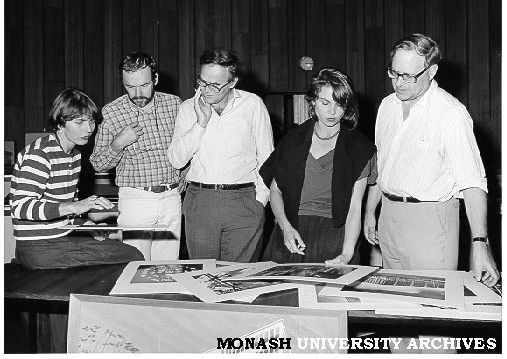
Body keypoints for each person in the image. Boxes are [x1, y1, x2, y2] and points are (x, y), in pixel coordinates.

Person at [364, 33, 499, 287]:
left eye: (409, 76)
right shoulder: (386, 107)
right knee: (394, 307)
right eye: (394, 73)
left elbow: (473, 184)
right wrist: (371, 212)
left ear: (431, 70)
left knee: (432, 310)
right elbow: (382, 166)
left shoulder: (451, 114)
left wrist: (481, 244)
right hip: (389, 215)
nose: (399, 83)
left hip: (431, 221)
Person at [10, 88, 144, 270]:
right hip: (38, 247)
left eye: (91, 121)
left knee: (131, 253)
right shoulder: (39, 154)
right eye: (80, 122)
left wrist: (85, 224)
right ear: (60, 124)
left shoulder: (74, 155)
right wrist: (76, 206)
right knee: (133, 255)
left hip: (62, 238)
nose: (89, 129)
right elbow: (20, 207)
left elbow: (65, 213)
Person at [259, 68, 376, 264]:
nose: (332, 112)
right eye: (325, 103)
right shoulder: (293, 141)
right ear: (313, 101)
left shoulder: (359, 148)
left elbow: (355, 207)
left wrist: (347, 254)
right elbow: (275, 191)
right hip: (292, 231)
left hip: (336, 235)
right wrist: (285, 227)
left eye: (339, 104)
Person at [168, 48, 274, 263]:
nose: (206, 90)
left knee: (241, 279)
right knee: (203, 277)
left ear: (232, 82)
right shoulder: (188, 108)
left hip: (243, 200)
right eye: (202, 81)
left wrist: (259, 202)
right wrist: (200, 123)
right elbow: (176, 160)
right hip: (201, 200)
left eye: (215, 85)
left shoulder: (252, 105)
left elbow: (267, 158)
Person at [90, 52, 181, 260]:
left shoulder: (175, 105)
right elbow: (98, 164)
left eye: (144, 85)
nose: (138, 93)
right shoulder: (111, 112)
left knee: (167, 269)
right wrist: (117, 144)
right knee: (135, 265)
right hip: (135, 200)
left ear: (155, 79)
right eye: (130, 87)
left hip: (172, 198)